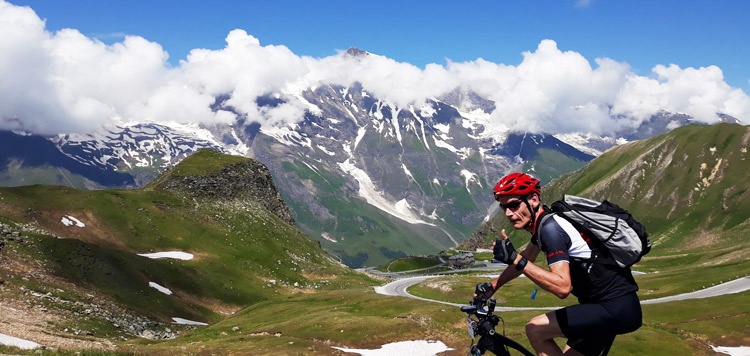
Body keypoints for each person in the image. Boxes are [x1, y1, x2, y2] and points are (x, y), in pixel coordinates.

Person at [480, 172, 642, 356]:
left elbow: (563, 287)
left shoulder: (551, 230)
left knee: (535, 329)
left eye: (514, 205)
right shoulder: (544, 224)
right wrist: (493, 287)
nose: (508, 213)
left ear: (533, 200)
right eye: (504, 208)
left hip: (614, 307)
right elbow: (528, 256)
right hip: (607, 306)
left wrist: (517, 259)